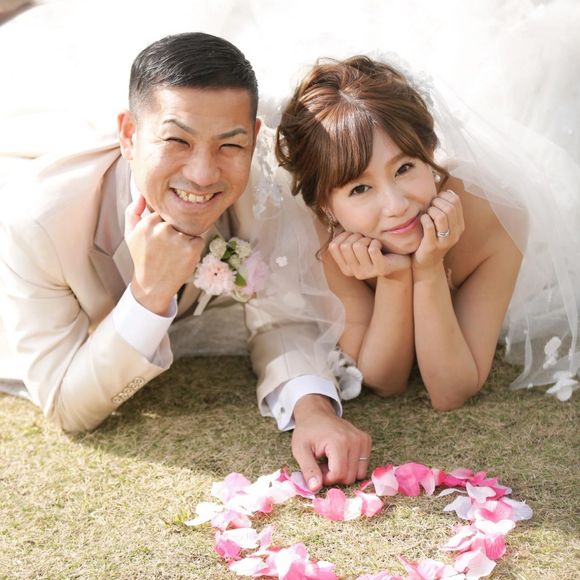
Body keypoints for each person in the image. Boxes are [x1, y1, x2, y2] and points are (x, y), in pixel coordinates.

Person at [0, 33, 371, 490]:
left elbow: (282, 316)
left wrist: (312, 410)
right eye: (177, 140)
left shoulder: (259, 188)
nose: (203, 174)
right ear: (129, 135)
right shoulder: (38, 225)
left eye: (229, 146)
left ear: (253, 138)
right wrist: (149, 293)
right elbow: (65, 405)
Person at [276, 55, 580, 406]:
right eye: (360, 188)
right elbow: (385, 381)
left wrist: (430, 267)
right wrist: (394, 278)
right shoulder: (325, 241)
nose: (395, 205)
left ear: (429, 153)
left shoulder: (497, 212)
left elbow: (450, 391)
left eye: (404, 168)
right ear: (326, 206)